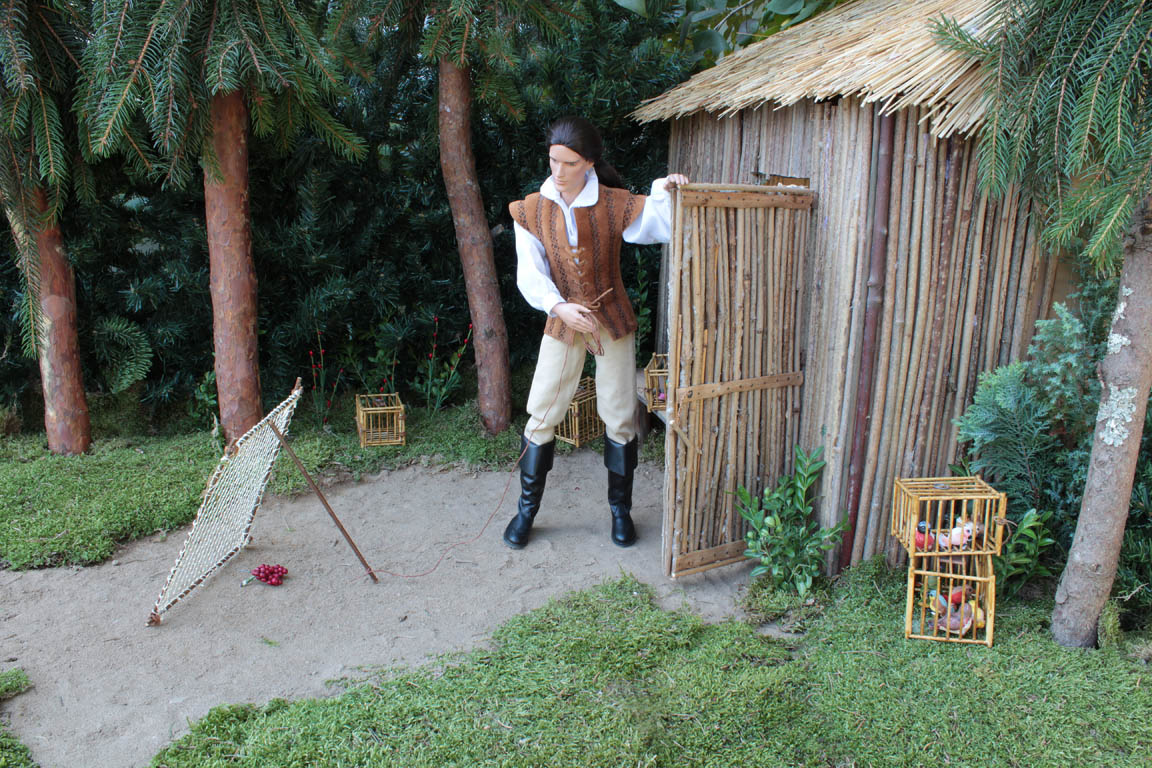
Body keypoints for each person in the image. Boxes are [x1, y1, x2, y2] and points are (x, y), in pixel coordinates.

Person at [503, 115, 688, 550]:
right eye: (553, 161)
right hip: (562, 320)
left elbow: (657, 224)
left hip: (612, 318)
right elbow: (529, 273)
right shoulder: (530, 210)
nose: (559, 171)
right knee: (542, 412)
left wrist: (667, 189)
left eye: (569, 163)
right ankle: (526, 511)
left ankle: (620, 511)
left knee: (620, 415)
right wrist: (559, 307)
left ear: (588, 162)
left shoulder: (613, 203)